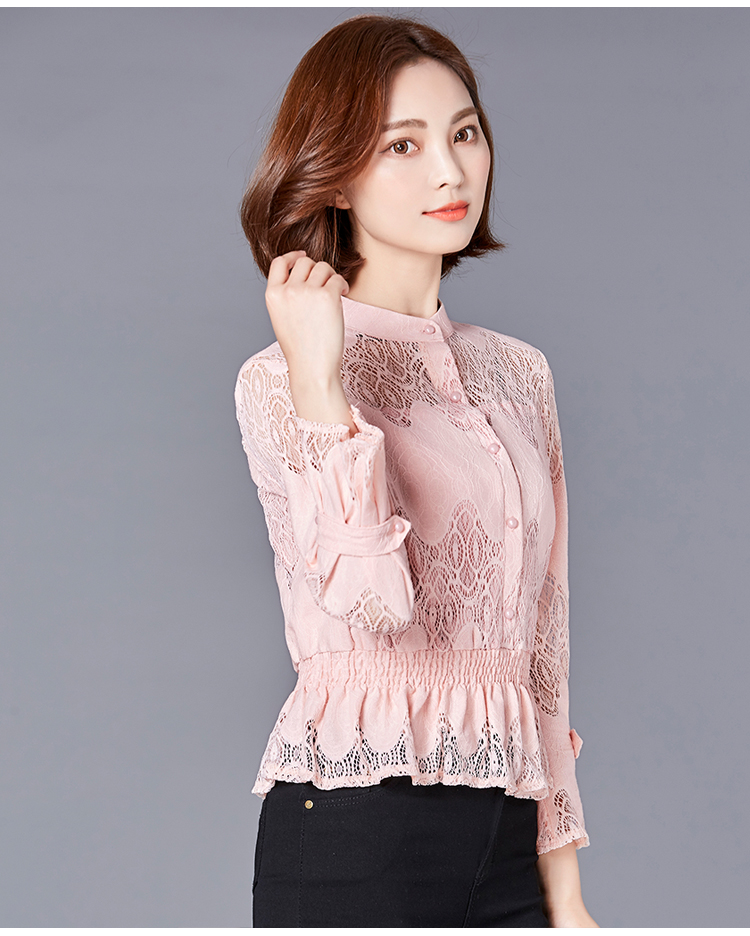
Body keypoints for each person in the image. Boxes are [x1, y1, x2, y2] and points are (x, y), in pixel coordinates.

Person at [235, 13, 598, 928]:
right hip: (361, 834)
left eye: (464, 134)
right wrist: (323, 383)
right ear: (335, 172)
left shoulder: (519, 373)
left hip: (510, 840)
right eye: (404, 144)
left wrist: (567, 895)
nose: (450, 171)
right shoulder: (279, 380)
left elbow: (542, 648)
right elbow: (373, 603)